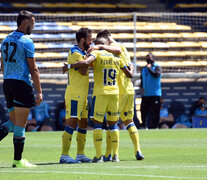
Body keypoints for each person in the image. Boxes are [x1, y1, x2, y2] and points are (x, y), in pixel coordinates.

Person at [66, 37, 133, 162]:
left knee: (97, 124)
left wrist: (70, 66)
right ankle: (115, 155)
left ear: (97, 45)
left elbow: (86, 64)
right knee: (113, 125)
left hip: (100, 93)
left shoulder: (96, 53)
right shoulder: (117, 56)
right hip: (114, 93)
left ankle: (98, 156)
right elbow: (129, 74)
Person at [90, 29, 144, 161]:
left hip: (116, 90)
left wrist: (100, 47)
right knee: (128, 121)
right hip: (129, 89)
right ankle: (137, 150)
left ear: (106, 39)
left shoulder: (111, 49)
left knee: (111, 122)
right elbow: (130, 67)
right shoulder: (123, 47)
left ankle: (112, 154)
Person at [0, 10, 43, 168]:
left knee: (12, 121)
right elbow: (34, 69)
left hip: (7, 83)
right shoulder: (26, 41)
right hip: (21, 84)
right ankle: (18, 160)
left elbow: (2, 65)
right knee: (20, 125)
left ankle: (18, 160)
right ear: (25, 22)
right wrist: (39, 91)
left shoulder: (5, 40)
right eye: (33, 22)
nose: (34, 26)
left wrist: (9, 78)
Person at [60, 28, 93, 164]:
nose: (91, 42)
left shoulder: (83, 53)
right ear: (82, 40)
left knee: (83, 124)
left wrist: (70, 65)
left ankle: (80, 154)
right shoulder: (75, 52)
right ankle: (64, 155)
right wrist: (87, 58)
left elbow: (85, 65)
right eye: (90, 39)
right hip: (74, 94)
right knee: (71, 123)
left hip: (82, 95)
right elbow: (83, 70)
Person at [140, 53, 162, 129]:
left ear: (153, 58)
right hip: (146, 94)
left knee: (155, 112)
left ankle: (156, 126)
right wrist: (141, 87)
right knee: (143, 111)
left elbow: (156, 75)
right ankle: (143, 125)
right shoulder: (144, 69)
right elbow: (142, 78)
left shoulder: (157, 67)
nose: (148, 59)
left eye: (149, 58)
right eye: (146, 58)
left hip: (155, 94)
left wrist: (149, 69)